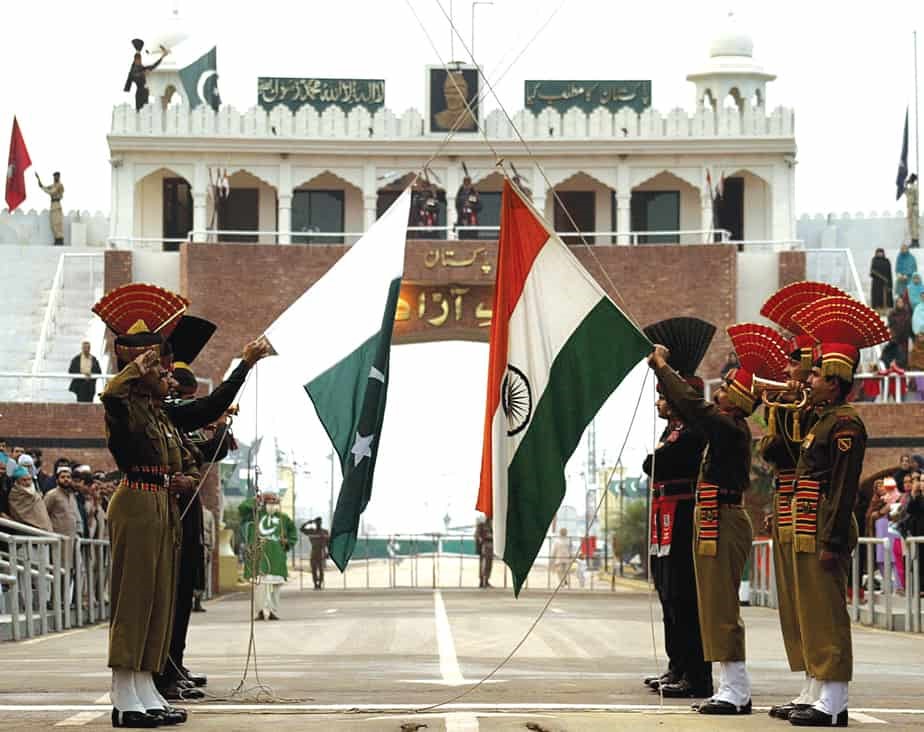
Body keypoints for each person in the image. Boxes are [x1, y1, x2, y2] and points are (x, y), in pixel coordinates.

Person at [649, 326, 782, 716]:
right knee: (713, 605)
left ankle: (736, 690)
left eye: (725, 389)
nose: (718, 393)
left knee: (721, 606)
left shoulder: (728, 427)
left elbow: (694, 406)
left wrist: (663, 369)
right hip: (713, 517)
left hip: (723, 518)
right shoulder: (727, 428)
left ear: (738, 398)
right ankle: (730, 687)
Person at [93, 282, 195, 727]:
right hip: (135, 502)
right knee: (134, 600)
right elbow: (113, 392)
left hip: (159, 503)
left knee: (157, 601)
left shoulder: (154, 411)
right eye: (157, 365)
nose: (164, 372)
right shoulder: (124, 404)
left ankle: (143, 686)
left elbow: (175, 456)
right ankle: (123, 695)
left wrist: (181, 478)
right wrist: (137, 365)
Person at [786, 295, 889, 727]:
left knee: (828, 611)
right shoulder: (823, 419)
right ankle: (819, 689)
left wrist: (831, 538)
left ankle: (834, 699)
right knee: (811, 610)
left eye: (816, 374)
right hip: (810, 521)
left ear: (836, 379)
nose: (809, 379)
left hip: (826, 524)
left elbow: (845, 486)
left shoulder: (846, 424)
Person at [639, 316, 713, 699]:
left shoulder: (695, 428)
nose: (659, 401)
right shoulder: (674, 430)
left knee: (684, 596)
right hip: (665, 516)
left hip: (683, 516)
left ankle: (695, 673)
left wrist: (654, 460)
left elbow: (658, 464)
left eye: (665, 395)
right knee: (668, 595)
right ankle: (677, 666)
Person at [240, 492, 297, 620]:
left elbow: (293, 535)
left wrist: (287, 542)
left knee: (275, 588)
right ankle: (260, 611)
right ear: (264, 503)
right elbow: (242, 509)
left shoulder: (284, 519)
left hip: (276, 559)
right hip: (260, 557)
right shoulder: (254, 516)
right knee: (259, 587)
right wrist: (255, 500)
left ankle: (271, 611)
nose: (272, 505)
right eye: (270, 502)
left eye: (275, 502)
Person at [124, 39, 167, 111]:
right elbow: (134, 75)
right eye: (138, 60)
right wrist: (143, 73)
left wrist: (162, 56)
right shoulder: (134, 70)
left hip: (145, 92)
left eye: (140, 60)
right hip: (140, 93)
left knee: (145, 112)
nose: (140, 61)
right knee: (139, 112)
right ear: (135, 61)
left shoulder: (142, 68)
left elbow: (153, 66)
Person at [8, 465, 53, 531]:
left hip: (44, 529)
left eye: (29, 479)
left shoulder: (35, 493)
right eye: (24, 480)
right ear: (17, 481)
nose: (28, 483)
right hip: (28, 531)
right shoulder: (15, 495)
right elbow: (19, 515)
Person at [35, 171, 65, 245]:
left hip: (57, 204)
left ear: (59, 177)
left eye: (57, 176)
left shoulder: (59, 185)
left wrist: (45, 189)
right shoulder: (53, 185)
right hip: (52, 205)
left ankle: (60, 239)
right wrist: (38, 179)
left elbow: (52, 192)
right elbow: (43, 186)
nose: (55, 177)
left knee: (57, 223)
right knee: (53, 223)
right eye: (54, 176)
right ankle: (56, 239)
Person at [300, 517, 330, 590]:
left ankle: (320, 584)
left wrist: (328, 553)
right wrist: (308, 522)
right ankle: (315, 584)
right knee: (314, 569)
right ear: (315, 523)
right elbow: (301, 529)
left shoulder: (325, 532)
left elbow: (328, 543)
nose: (318, 524)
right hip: (314, 552)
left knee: (321, 569)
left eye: (320, 522)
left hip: (321, 552)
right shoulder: (312, 531)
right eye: (317, 522)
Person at [474, 514, 494, 588]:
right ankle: (482, 581)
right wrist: (481, 543)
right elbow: (477, 535)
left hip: (491, 545)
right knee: (484, 564)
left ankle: (486, 580)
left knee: (489, 564)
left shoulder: (491, 524)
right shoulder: (481, 524)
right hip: (485, 545)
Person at [907, 173, 920, 248]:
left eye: (910, 179)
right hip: (911, 207)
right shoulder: (912, 187)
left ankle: (915, 242)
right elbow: (907, 195)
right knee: (911, 225)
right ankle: (913, 240)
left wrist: (910, 210)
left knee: (914, 225)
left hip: (913, 207)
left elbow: (911, 198)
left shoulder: (913, 187)